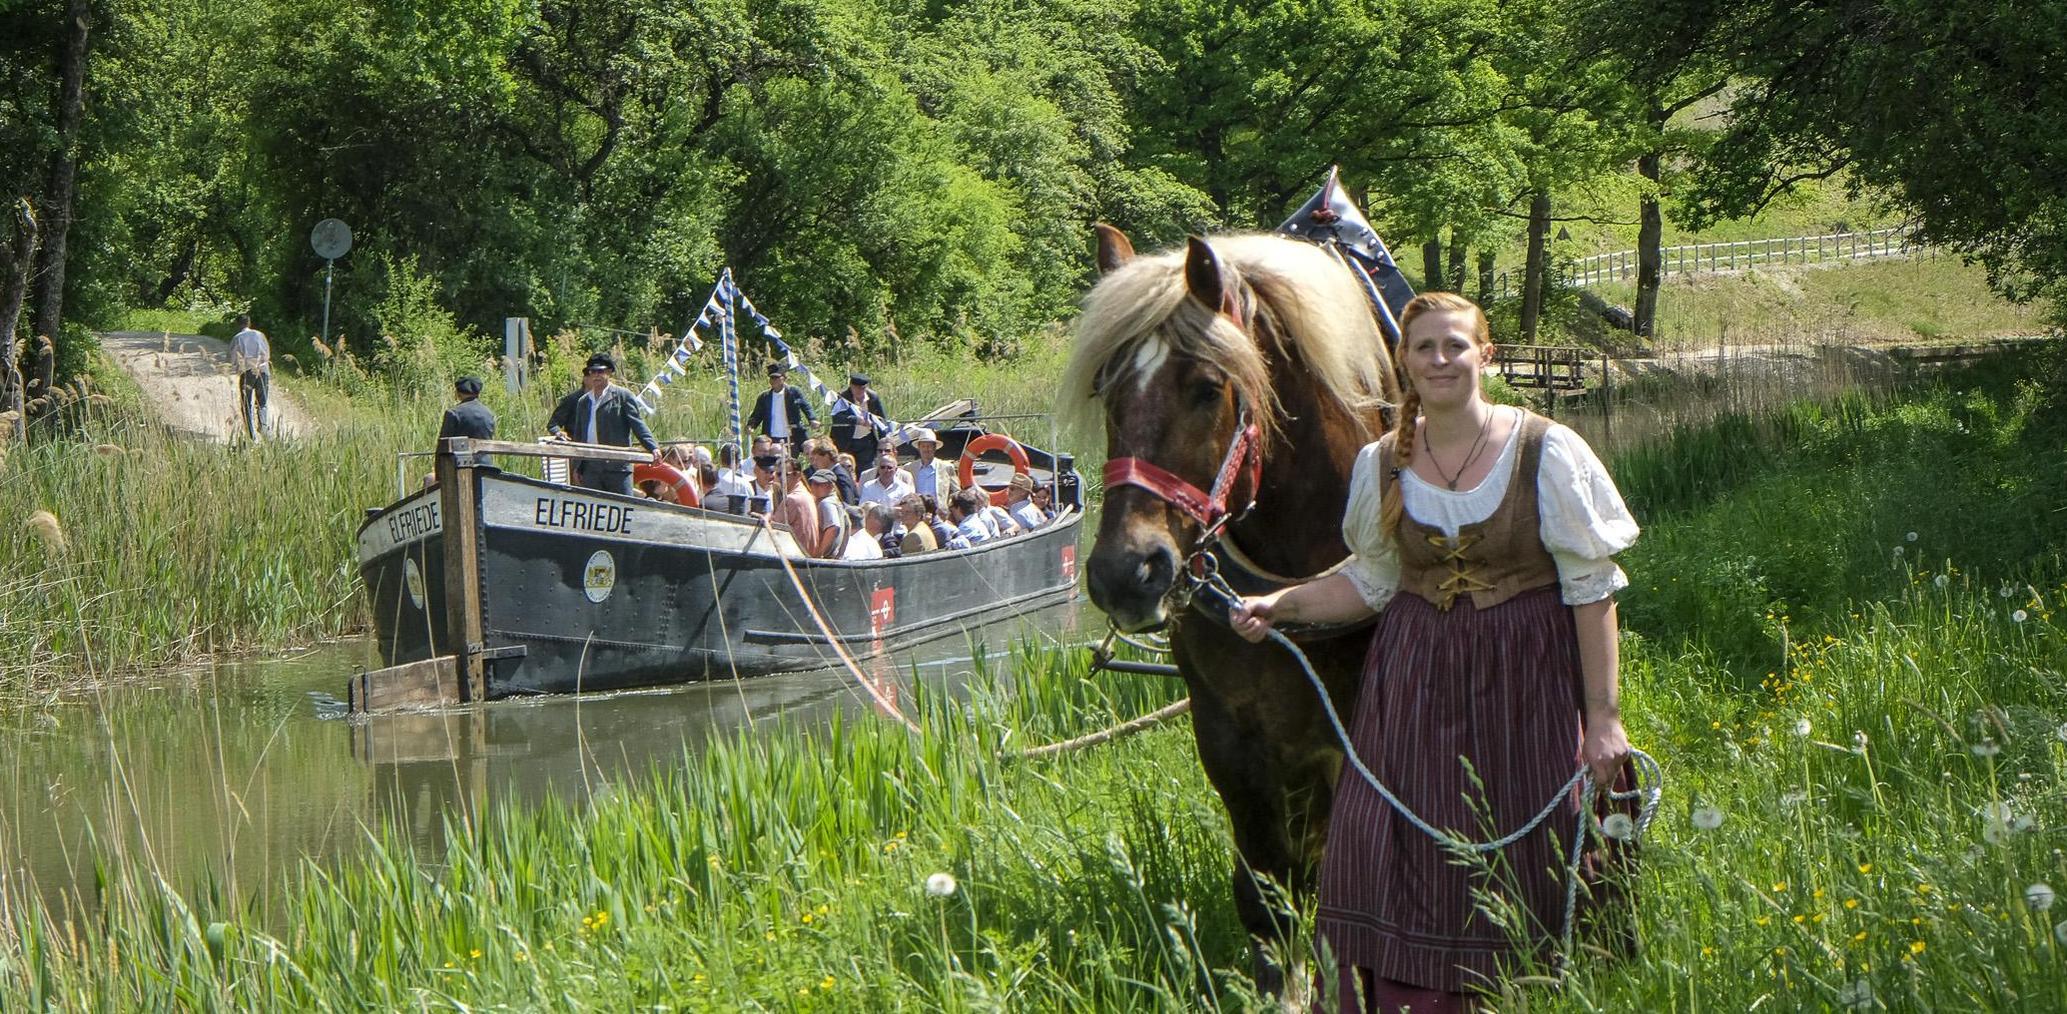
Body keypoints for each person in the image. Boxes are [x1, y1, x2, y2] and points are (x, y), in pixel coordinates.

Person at [1226, 292, 1640, 1012]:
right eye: (1424, 348)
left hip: (1527, 679)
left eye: (1455, 345)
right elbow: (1371, 581)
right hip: (1411, 684)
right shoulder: (1382, 463)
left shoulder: (1545, 450)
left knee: (1532, 845)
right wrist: (1282, 604)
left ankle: (1530, 992)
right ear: (1405, 362)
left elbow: (1590, 587)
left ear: (1486, 355)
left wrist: (1602, 718)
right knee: (1379, 845)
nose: (1440, 359)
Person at [546, 353, 662, 495]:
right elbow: (580, 436)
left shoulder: (623, 396)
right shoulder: (583, 401)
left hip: (618, 467)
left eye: (600, 371)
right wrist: (578, 466)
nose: (596, 375)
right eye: (592, 371)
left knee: (623, 507)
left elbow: (637, 424)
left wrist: (653, 447)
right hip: (591, 468)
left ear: (609, 372)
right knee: (593, 510)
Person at [745, 362, 816, 455]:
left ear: (784, 378)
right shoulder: (764, 397)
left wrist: (812, 419)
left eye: (776, 378)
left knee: (791, 462)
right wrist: (751, 425)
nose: (773, 380)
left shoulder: (794, 392)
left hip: (791, 436)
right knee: (774, 462)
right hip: (771, 438)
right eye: (771, 378)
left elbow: (806, 406)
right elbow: (757, 415)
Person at [830, 372, 888, 467]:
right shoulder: (842, 398)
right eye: (857, 389)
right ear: (851, 386)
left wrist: (875, 426)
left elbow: (882, 419)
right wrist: (856, 420)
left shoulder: (873, 397)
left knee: (866, 470)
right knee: (846, 469)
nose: (860, 392)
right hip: (846, 442)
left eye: (863, 389)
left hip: (867, 442)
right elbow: (836, 418)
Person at [228, 313, 271, 441]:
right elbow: (267, 354)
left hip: (247, 372)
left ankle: (252, 436)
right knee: (262, 402)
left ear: (238, 324)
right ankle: (263, 427)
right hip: (263, 370)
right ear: (249, 323)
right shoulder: (259, 335)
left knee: (247, 404)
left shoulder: (237, 338)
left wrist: (237, 369)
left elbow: (233, 358)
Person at [437, 376, 496, 465]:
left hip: (459, 466)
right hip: (485, 466)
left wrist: (438, 469)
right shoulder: (489, 413)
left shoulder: (453, 413)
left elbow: (443, 445)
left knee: (429, 478)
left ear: (458, 393)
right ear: (478, 393)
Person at [901, 428, 958, 501]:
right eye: (923, 446)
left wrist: (948, 507)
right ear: (919, 448)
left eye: (929, 446)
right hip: (917, 510)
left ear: (934, 448)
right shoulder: (909, 468)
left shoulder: (947, 467)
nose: (926, 449)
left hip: (940, 511)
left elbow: (956, 492)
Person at [806, 468, 849, 558]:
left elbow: (833, 528)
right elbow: (848, 526)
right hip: (832, 557)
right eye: (813, 483)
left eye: (818, 484)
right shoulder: (837, 502)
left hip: (824, 558)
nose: (814, 487)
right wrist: (840, 554)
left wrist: (819, 553)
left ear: (831, 486)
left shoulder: (826, 503)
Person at [807, 440, 860, 506]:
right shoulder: (838, 472)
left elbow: (848, 501)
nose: (814, 463)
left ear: (826, 456)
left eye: (817, 459)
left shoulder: (840, 475)